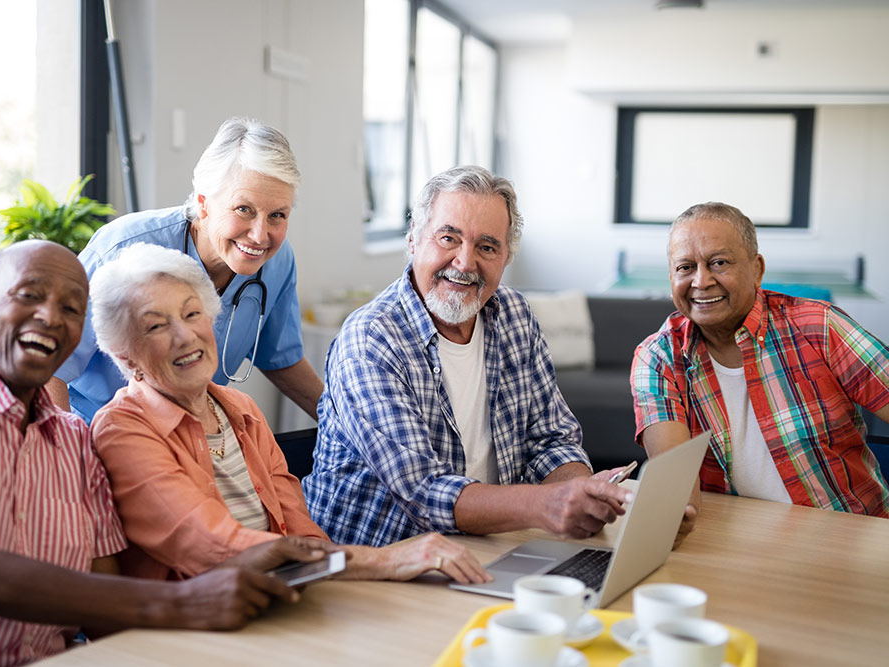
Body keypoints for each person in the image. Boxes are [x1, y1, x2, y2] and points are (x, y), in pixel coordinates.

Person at [0, 241, 337, 666]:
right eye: (29, 295)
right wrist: (183, 602)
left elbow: (105, 606)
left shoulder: (72, 440)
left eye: (71, 308)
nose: (51, 316)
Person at [86, 242, 490, 584]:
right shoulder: (123, 430)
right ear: (126, 356)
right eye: (156, 327)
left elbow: (301, 530)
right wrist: (380, 560)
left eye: (192, 314)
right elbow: (211, 545)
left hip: (279, 597)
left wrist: (334, 568)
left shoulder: (240, 409)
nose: (184, 335)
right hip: (193, 626)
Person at [301, 165, 633, 547]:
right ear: (413, 240)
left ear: (506, 257)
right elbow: (424, 491)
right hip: (376, 560)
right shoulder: (370, 341)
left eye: (486, 247)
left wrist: (582, 493)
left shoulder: (515, 316)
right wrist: (547, 504)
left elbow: (552, 441)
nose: (464, 262)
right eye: (449, 238)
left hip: (487, 546)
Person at [631, 202, 889, 544]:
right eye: (685, 267)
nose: (701, 281)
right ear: (671, 278)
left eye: (719, 263)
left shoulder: (821, 327)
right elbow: (675, 486)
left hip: (851, 538)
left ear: (757, 269)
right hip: (734, 544)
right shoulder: (657, 358)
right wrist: (668, 513)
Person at [48, 117, 323, 424]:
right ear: (203, 203)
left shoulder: (277, 262)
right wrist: (69, 447)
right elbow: (50, 367)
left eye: (277, 215)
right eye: (244, 209)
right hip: (97, 430)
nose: (260, 235)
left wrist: (345, 421)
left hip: (190, 432)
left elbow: (281, 359)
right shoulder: (120, 250)